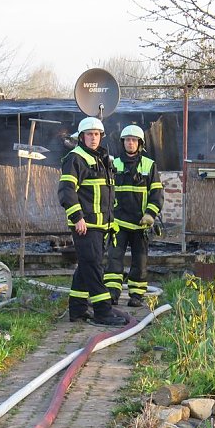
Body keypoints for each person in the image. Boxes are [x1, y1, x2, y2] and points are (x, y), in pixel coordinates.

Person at [58, 117, 126, 326]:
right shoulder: (75, 158)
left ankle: (77, 310)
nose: (93, 138)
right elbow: (66, 191)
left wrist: (111, 222)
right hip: (85, 225)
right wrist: (77, 217)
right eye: (89, 134)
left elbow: (107, 194)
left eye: (97, 134)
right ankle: (103, 311)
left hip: (101, 225)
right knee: (94, 266)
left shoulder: (103, 159)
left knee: (86, 266)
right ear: (81, 137)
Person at [104, 125, 164, 307]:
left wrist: (150, 214)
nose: (130, 143)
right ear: (123, 143)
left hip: (141, 223)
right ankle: (112, 293)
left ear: (140, 144)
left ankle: (136, 295)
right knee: (114, 259)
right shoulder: (113, 164)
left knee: (140, 261)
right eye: (127, 140)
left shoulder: (149, 165)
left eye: (134, 140)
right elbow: (106, 192)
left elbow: (156, 193)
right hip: (118, 222)